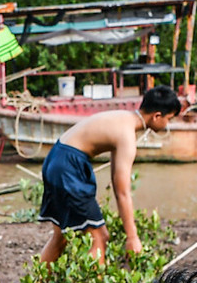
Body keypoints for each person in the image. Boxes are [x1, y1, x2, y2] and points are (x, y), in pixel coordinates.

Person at [36, 86, 181, 263]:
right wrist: (132, 237)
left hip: (56, 158)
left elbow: (116, 180)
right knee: (99, 237)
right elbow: (122, 192)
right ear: (157, 116)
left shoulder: (123, 119)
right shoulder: (127, 136)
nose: (168, 124)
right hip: (69, 166)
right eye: (169, 119)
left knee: (61, 236)